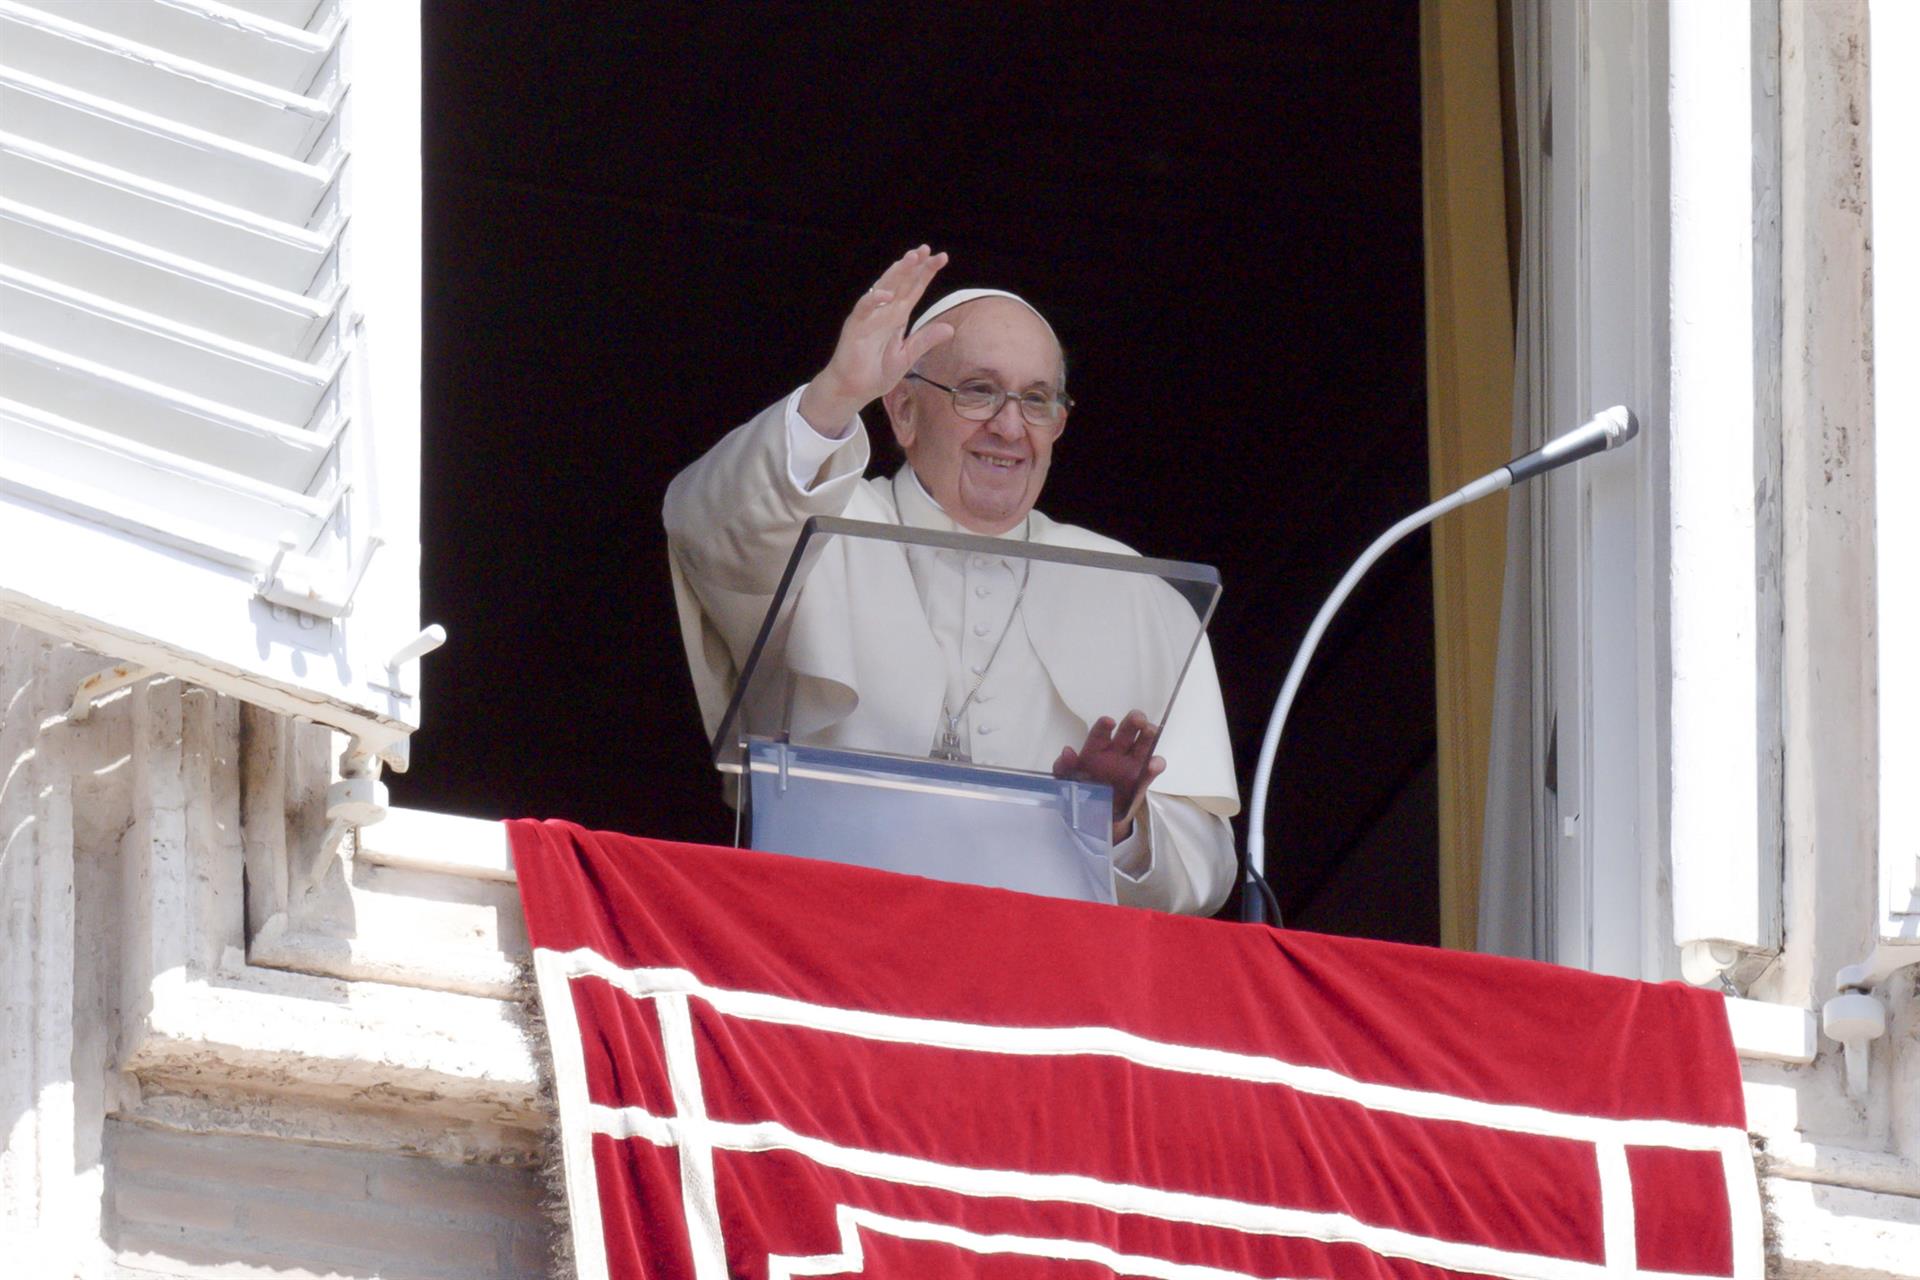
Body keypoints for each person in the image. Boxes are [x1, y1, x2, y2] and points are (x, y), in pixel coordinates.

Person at [664, 246, 1238, 914]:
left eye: (1036, 400)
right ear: (904, 411)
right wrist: (835, 396)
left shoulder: (1136, 591)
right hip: (826, 933)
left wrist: (1115, 826)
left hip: (1041, 974)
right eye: (980, 391)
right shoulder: (823, 519)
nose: (1009, 426)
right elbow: (707, 528)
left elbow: (1206, 869)